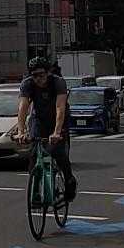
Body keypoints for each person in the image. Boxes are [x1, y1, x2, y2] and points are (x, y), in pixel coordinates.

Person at [15, 56, 75, 202]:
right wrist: (21, 131)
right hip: (39, 119)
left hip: (58, 120)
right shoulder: (27, 84)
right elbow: (23, 108)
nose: (38, 79)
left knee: (58, 152)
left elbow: (60, 107)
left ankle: (69, 180)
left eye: (41, 75)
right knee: (34, 155)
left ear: (48, 72)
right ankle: (35, 191)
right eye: (34, 75)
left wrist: (57, 132)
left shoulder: (58, 82)